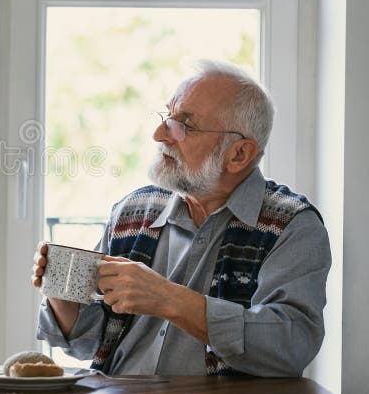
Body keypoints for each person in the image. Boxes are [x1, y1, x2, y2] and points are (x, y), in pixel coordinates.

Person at [33, 60, 331, 376]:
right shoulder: (134, 211)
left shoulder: (293, 226)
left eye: (184, 125)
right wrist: (61, 295)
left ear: (239, 154)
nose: (159, 134)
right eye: (167, 117)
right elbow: (90, 343)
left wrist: (167, 298)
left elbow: (290, 345)